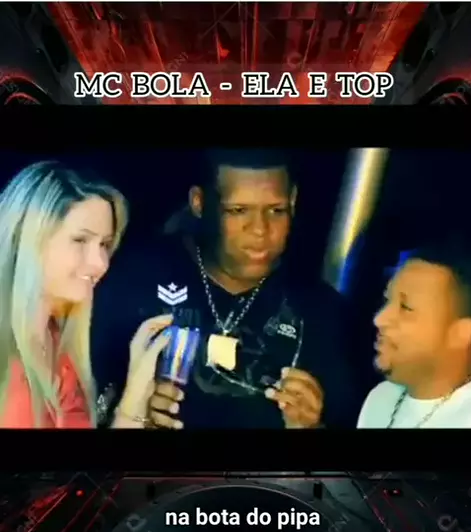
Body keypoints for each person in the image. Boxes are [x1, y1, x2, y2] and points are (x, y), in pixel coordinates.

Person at [92, 149, 361, 429]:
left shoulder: (321, 312)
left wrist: (311, 426)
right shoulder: (136, 278)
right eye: (238, 210)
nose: (260, 229)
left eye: (276, 210)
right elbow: (81, 397)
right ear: (199, 203)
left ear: (293, 201)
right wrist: (129, 410)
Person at [0, 161, 170, 428]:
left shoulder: (60, 346)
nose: (100, 263)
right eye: (80, 240)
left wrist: (136, 395)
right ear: (28, 236)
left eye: (104, 244)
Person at [357, 237, 471, 428]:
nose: (379, 319)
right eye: (387, 300)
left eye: (406, 307)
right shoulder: (380, 398)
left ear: (462, 333)